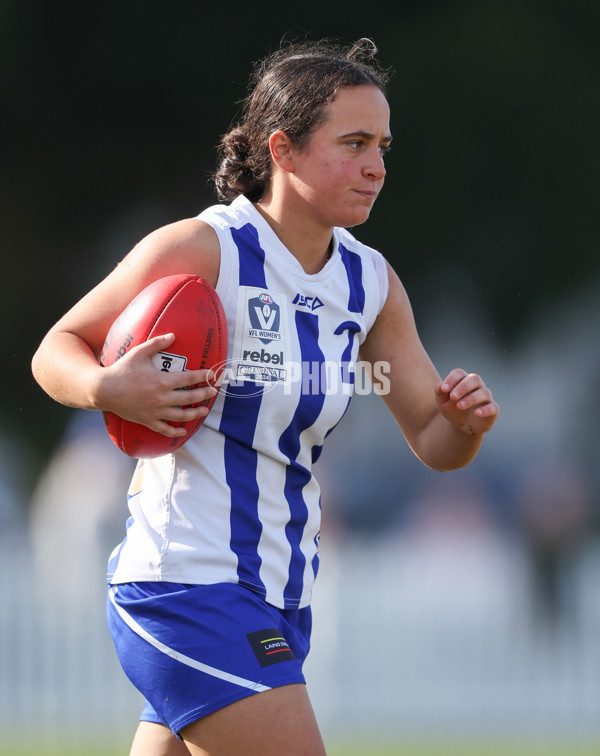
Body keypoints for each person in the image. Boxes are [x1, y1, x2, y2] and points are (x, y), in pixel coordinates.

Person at [31, 38, 499, 756]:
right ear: (282, 150)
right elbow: (55, 348)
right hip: (186, 584)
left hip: (281, 593)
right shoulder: (203, 248)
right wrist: (106, 386)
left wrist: (463, 424)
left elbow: (434, 441)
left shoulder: (370, 284)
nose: (376, 165)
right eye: (353, 143)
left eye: (382, 144)